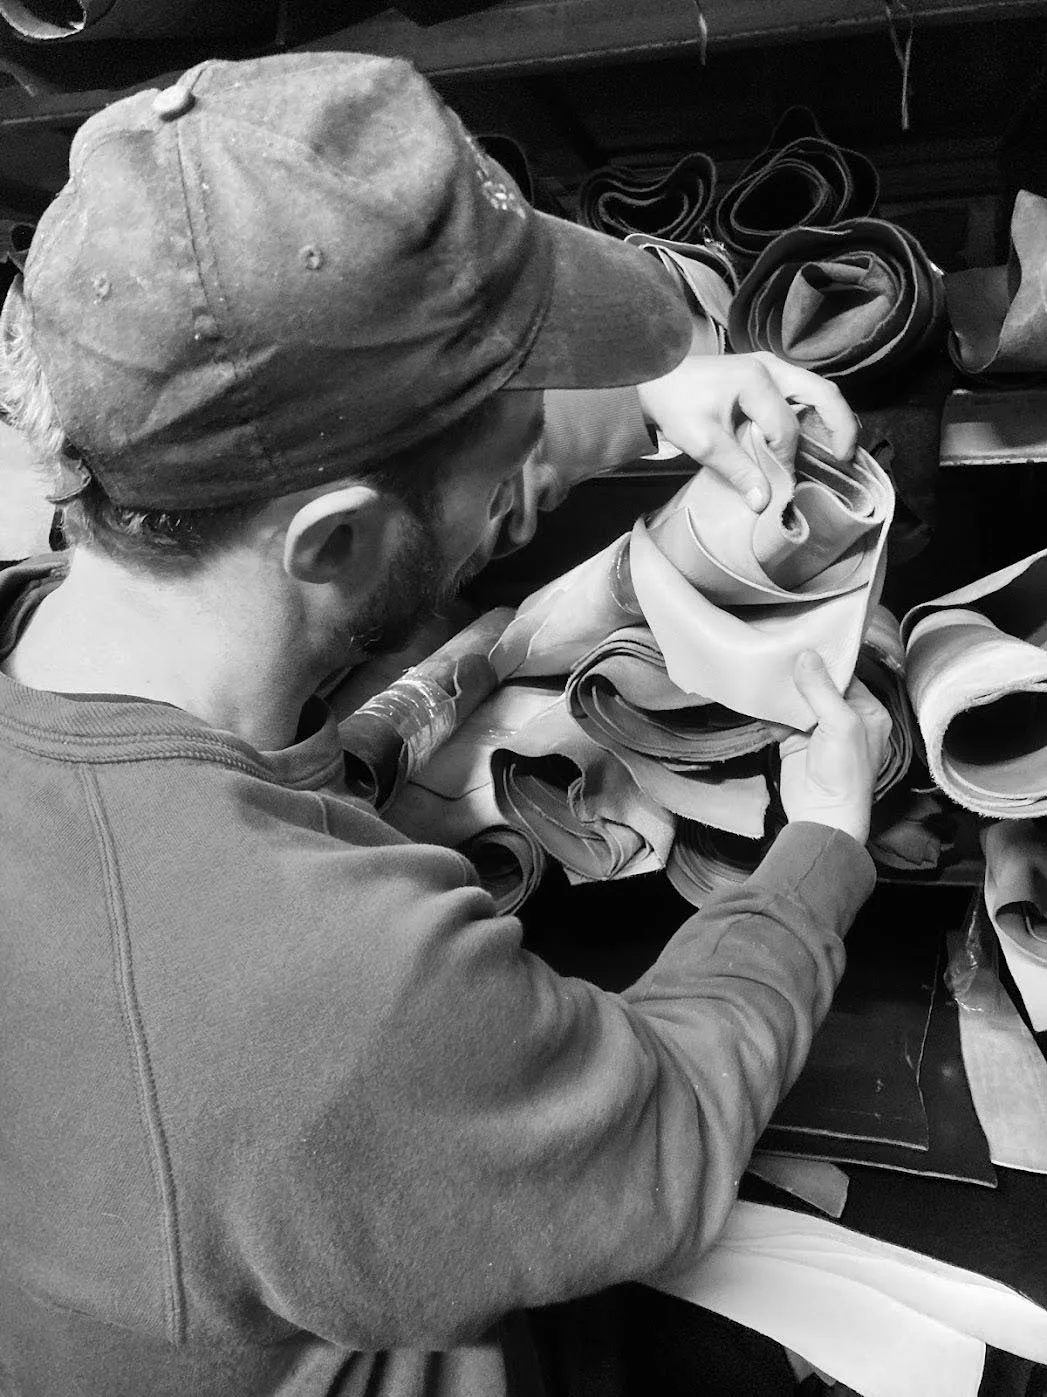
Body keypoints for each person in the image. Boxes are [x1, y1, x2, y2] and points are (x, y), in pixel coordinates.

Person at [0, 50, 890, 1397]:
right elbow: (667, 1122)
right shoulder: (340, 985)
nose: (514, 492)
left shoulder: (76, 656)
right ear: (333, 542)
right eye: (502, 469)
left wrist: (651, 397)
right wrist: (822, 844)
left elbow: (397, 519)